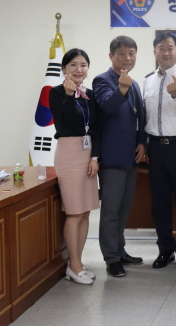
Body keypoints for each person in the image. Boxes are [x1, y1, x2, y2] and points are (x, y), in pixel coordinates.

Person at [143, 31, 176, 271]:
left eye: (170, 48)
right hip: (155, 148)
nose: (166, 52)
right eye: (161, 48)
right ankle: (165, 249)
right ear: (155, 52)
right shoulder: (148, 80)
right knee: (160, 203)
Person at [92, 36, 146, 278]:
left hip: (131, 157)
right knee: (111, 212)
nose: (128, 58)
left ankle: (120, 250)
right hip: (112, 158)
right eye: (122, 53)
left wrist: (142, 142)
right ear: (111, 56)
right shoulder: (102, 80)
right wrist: (121, 88)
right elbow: (107, 106)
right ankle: (111, 259)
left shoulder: (133, 84)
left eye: (132, 53)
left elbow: (140, 117)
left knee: (124, 210)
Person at [50, 48, 100, 285]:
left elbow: (96, 127)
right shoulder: (56, 92)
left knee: (86, 210)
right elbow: (64, 122)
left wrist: (95, 157)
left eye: (83, 65)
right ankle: (75, 265)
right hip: (69, 153)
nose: (79, 69)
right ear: (64, 69)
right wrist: (69, 96)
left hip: (88, 153)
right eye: (73, 65)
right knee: (74, 211)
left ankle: (76, 262)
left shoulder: (90, 94)